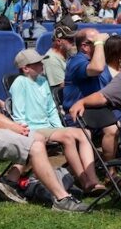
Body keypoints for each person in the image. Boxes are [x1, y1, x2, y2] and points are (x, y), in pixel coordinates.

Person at [0, 35, 87, 211]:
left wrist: (16, 127)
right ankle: (62, 199)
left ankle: (10, 182)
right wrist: (11, 127)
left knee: (37, 138)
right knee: (35, 145)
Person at [8, 48, 105, 195]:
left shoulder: (42, 80)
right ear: (26, 68)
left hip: (47, 127)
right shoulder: (20, 83)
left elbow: (51, 109)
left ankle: (92, 178)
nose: (42, 64)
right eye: (37, 63)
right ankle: (85, 181)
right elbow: (19, 114)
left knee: (84, 133)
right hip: (32, 129)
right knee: (68, 137)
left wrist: (59, 128)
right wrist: (27, 132)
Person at [63, 28, 118, 158]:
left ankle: (112, 168)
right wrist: (99, 42)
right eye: (97, 43)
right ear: (85, 46)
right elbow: (97, 68)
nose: (102, 45)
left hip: (100, 109)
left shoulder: (98, 60)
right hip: (79, 112)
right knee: (109, 128)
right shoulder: (77, 61)